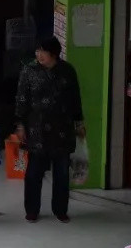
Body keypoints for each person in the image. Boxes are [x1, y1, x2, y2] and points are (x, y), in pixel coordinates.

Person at [15, 36, 85, 223]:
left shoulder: (67, 71)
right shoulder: (29, 70)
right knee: (34, 172)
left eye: (42, 51)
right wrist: (20, 124)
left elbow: (75, 99)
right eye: (37, 51)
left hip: (62, 128)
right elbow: (22, 99)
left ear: (53, 53)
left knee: (62, 172)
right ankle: (32, 210)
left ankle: (60, 210)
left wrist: (79, 122)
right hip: (37, 129)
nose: (38, 55)